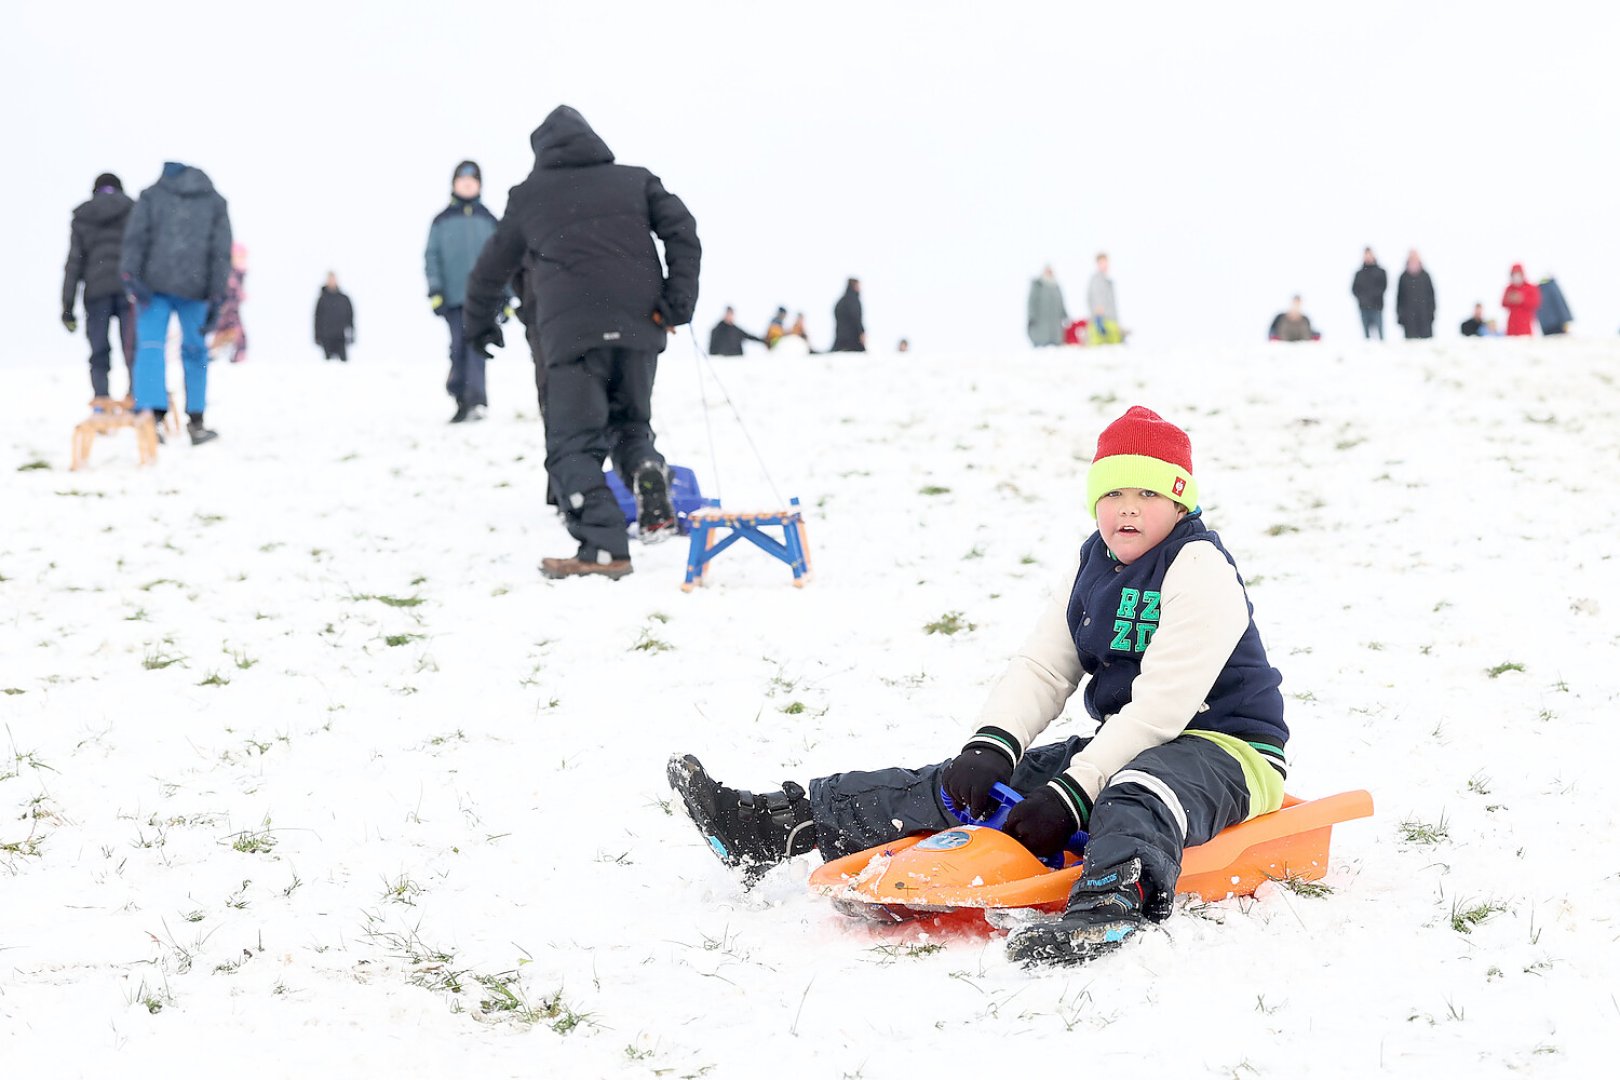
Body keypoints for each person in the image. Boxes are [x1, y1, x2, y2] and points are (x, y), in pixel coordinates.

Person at [669, 406, 1288, 967]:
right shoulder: (1092, 565)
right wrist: (992, 744)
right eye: (1114, 492)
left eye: (1148, 493)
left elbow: (1161, 709)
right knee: (973, 786)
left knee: (1136, 790)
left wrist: (1075, 792)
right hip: (1131, 739)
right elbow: (1045, 667)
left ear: (1182, 506)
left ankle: (1109, 905)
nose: (1128, 507)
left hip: (1225, 747)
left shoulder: (1200, 567)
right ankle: (773, 825)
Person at [463, 105, 700, 580]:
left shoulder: (529, 196)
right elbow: (683, 231)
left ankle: (604, 547)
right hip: (639, 327)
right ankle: (647, 470)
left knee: (573, 444)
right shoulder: (636, 180)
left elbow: (491, 268)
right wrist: (677, 303)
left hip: (572, 339)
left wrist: (479, 325)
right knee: (631, 424)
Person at [119, 162, 231, 445]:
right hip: (197, 287)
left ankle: (151, 418)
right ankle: (197, 421)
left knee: (151, 348)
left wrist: (131, 277)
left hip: (152, 287)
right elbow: (221, 252)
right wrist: (216, 294)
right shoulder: (214, 201)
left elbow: (134, 240)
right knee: (196, 351)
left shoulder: (152, 196)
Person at [426, 160, 499, 422]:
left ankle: (477, 400)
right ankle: (459, 395)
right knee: (458, 347)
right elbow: (431, 256)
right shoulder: (441, 221)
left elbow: (504, 257)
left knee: (477, 347)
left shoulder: (488, 220)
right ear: (454, 184)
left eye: (473, 181)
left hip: (483, 299)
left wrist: (507, 294)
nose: (467, 185)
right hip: (454, 298)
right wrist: (436, 290)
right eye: (462, 181)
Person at [62, 172, 136, 399]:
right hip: (128, 288)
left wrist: (67, 308)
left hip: (96, 292)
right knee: (132, 347)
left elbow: (73, 263)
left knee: (99, 349)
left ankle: (101, 399)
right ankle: (137, 395)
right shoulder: (134, 209)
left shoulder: (84, 215)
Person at [208, 242, 249, 364]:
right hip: (227, 313)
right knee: (233, 335)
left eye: (243, 257)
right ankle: (232, 357)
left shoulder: (238, 274)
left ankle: (236, 358)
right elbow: (228, 295)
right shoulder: (230, 276)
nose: (242, 260)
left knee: (234, 336)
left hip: (231, 314)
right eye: (239, 257)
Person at [1395, 250, 1435, 339]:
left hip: (1424, 316)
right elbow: (1399, 298)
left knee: (1426, 343)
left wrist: (1431, 313)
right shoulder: (1403, 277)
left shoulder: (1425, 276)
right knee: (1411, 344)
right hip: (1408, 318)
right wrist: (1400, 315)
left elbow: (1431, 296)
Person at [315, 272, 355, 361]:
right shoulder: (322, 300)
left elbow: (350, 317)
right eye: (330, 279)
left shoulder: (343, 299)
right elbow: (317, 318)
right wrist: (317, 336)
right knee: (328, 364)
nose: (331, 281)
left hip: (340, 336)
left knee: (344, 363)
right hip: (326, 336)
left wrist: (352, 333)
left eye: (333, 279)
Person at [1350, 248, 1387, 340]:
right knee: (1366, 335)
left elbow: (1383, 287)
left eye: (1369, 255)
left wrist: (1373, 297)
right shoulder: (1359, 274)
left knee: (1380, 333)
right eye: (1366, 255)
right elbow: (1354, 289)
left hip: (1377, 306)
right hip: (1364, 307)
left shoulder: (1380, 272)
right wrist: (1363, 299)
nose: (1368, 257)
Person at [1027, 266, 1067, 347]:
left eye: (1050, 272)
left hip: (1055, 323)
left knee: (1055, 345)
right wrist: (1031, 316)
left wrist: (1065, 315)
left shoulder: (1056, 286)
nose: (1049, 273)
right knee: (1041, 344)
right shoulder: (1038, 285)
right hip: (1041, 322)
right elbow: (1031, 302)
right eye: (1047, 271)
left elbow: (1061, 303)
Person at [1087, 253, 1123, 344]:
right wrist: (1098, 314)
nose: (1104, 265)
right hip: (1101, 319)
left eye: (1106, 262)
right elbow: (1094, 298)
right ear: (1097, 264)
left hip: (1111, 319)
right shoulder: (1096, 280)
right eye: (1101, 262)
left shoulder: (1108, 281)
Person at [1501, 265, 1541, 336]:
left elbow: (1536, 302)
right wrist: (1510, 299)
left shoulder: (1530, 287)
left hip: (1525, 324)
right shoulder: (1509, 288)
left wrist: (1522, 299)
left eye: (1518, 274)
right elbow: (1503, 303)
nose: (1516, 277)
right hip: (1512, 325)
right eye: (1514, 274)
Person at [831, 278, 865, 352]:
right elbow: (856, 319)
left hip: (840, 340)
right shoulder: (854, 301)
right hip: (853, 341)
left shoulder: (841, 301)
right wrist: (861, 333)